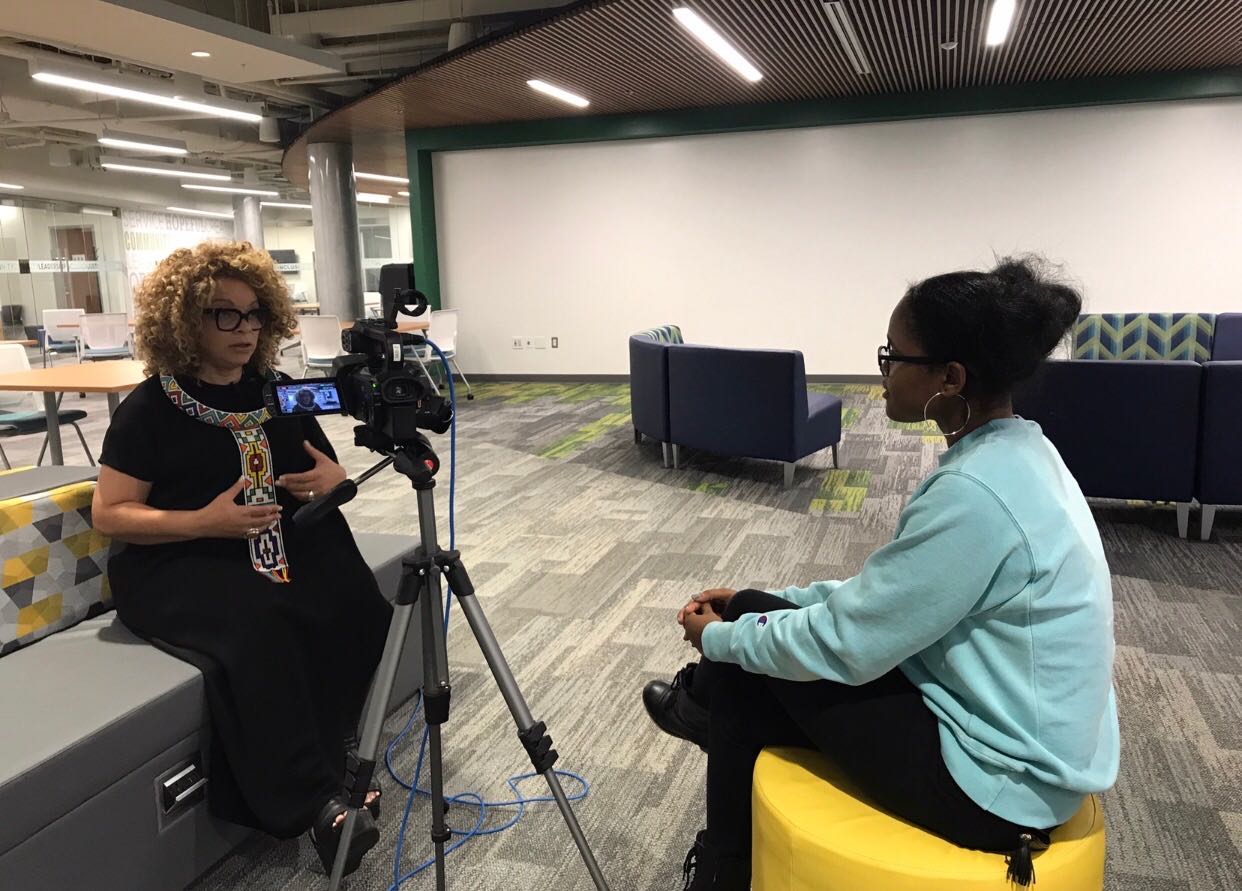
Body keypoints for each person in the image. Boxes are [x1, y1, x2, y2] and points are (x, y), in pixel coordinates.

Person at [644, 257, 1120, 890]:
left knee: (739, 670)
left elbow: (850, 642)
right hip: (1017, 737)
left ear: (949, 378)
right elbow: (892, 599)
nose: (884, 373)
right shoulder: (1019, 452)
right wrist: (767, 602)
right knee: (754, 621)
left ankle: (718, 839)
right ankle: (709, 711)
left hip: (1001, 788)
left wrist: (720, 640)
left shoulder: (975, 495)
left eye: (893, 357)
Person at [92, 241, 392, 876]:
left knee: (360, 603)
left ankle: (334, 754)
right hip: (180, 559)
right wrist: (205, 521)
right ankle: (315, 805)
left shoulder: (276, 391)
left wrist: (333, 477)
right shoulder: (150, 408)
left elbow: (325, 470)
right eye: (224, 314)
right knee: (264, 624)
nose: (246, 328)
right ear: (183, 320)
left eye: (254, 314)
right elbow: (110, 514)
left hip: (274, 545)